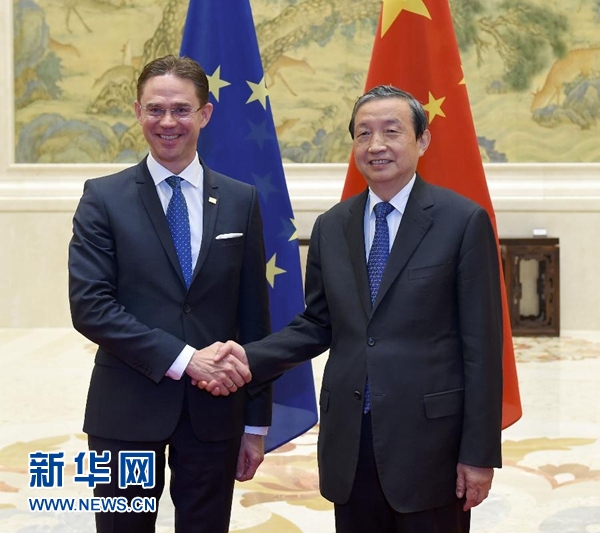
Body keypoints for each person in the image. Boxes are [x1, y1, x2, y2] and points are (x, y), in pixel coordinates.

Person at [205, 85, 504, 533]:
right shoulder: (332, 226)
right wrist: (247, 357)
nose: (376, 145)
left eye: (391, 131)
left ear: (422, 140)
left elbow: (482, 348)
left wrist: (478, 455)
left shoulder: (462, 222)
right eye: (363, 133)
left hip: (429, 444)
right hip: (350, 440)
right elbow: (317, 323)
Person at [68, 55, 271, 533]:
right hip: (126, 410)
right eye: (155, 109)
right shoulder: (103, 198)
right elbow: (91, 307)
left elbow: (253, 318)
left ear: (205, 114)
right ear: (138, 112)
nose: (167, 122)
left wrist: (255, 424)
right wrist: (186, 359)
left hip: (216, 413)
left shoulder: (240, 200)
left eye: (181, 109)